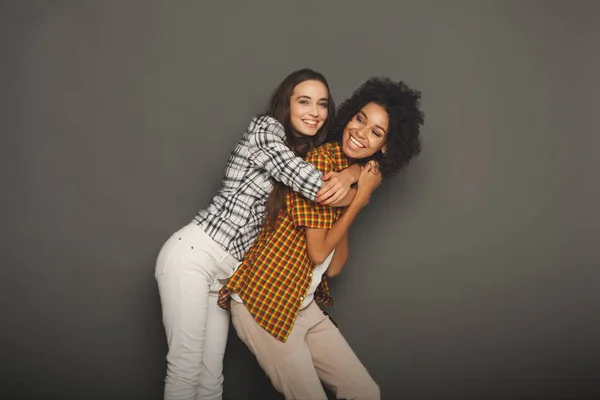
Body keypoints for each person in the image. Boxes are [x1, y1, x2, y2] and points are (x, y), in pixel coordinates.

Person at [154, 68, 363, 400]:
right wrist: (360, 187)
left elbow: (319, 189)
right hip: (193, 256)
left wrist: (352, 170)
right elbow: (317, 187)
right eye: (304, 101)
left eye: (322, 104)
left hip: (225, 274)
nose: (314, 112)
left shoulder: (302, 153)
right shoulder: (265, 131)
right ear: (286, 103)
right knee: (184, 370)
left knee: (210, 379)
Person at [218, 77, 425, 400]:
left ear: (385, 147)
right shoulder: (320, 164)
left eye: (376, 132)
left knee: (365, 393)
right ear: (348, 117)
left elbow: (333, 267)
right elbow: (318, 254)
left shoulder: (353, 175)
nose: (360, 133)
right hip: (264, 302)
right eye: (360, 119)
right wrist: (358, 202)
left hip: (301, 305)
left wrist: (356, 181)